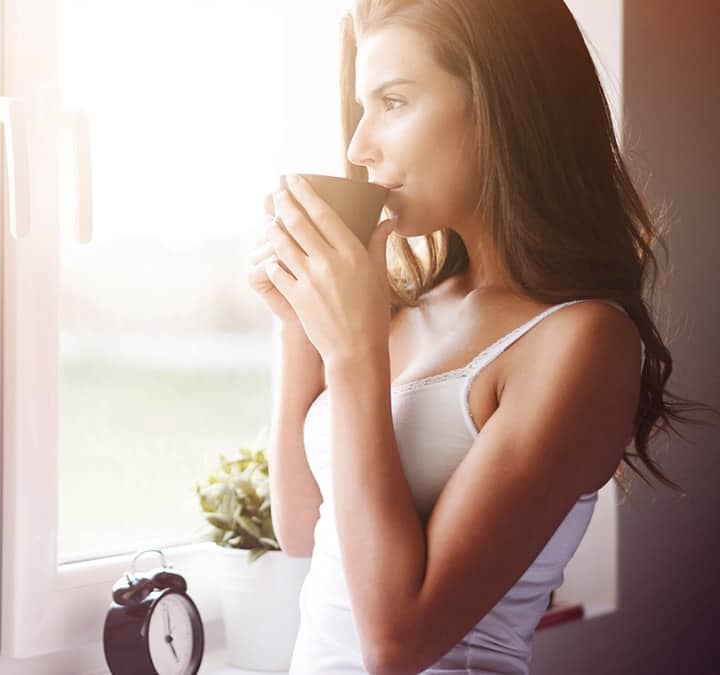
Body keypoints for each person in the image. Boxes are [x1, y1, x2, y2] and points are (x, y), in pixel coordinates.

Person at [245, 1, 717, 673]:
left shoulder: (583, 342)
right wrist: (299, 324)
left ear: (500, 105)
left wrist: (354, 356)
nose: (358, 146)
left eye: (395, 101)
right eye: (363, 105)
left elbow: (396, 643)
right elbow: (301, 531)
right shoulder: (403, 310)